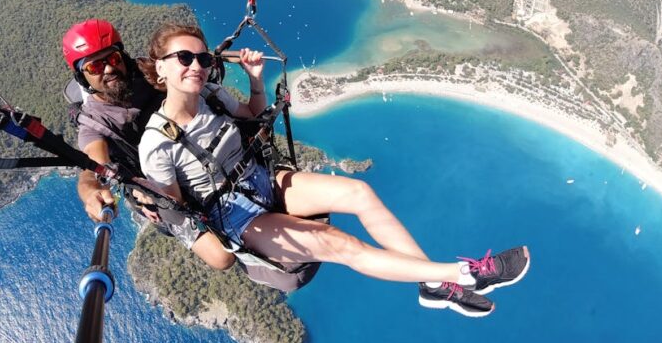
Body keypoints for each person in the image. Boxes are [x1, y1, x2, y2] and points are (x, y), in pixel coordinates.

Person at [137, 23, 530, 317]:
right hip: (235, 217)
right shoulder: (156, 144)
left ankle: (431, 285)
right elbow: (181, 209)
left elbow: (254, 116)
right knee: (340, 244)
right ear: (161, 69)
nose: (198, 66)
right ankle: (462, 275)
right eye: (184, 59)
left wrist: (256, 83)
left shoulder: (212, 94)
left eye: (203, 58)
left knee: (358, 193)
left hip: (260, 180)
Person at [61, 18, 235, 271]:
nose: (108, 70)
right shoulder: (94, 120)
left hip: (200, 152)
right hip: (159, 188)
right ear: (82, 76)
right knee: (222, 258)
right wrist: (90, 192)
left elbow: (185, 67)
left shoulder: (149, 72)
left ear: (123, 57)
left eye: (112, 59)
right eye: (95, 66)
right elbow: (92, 165)